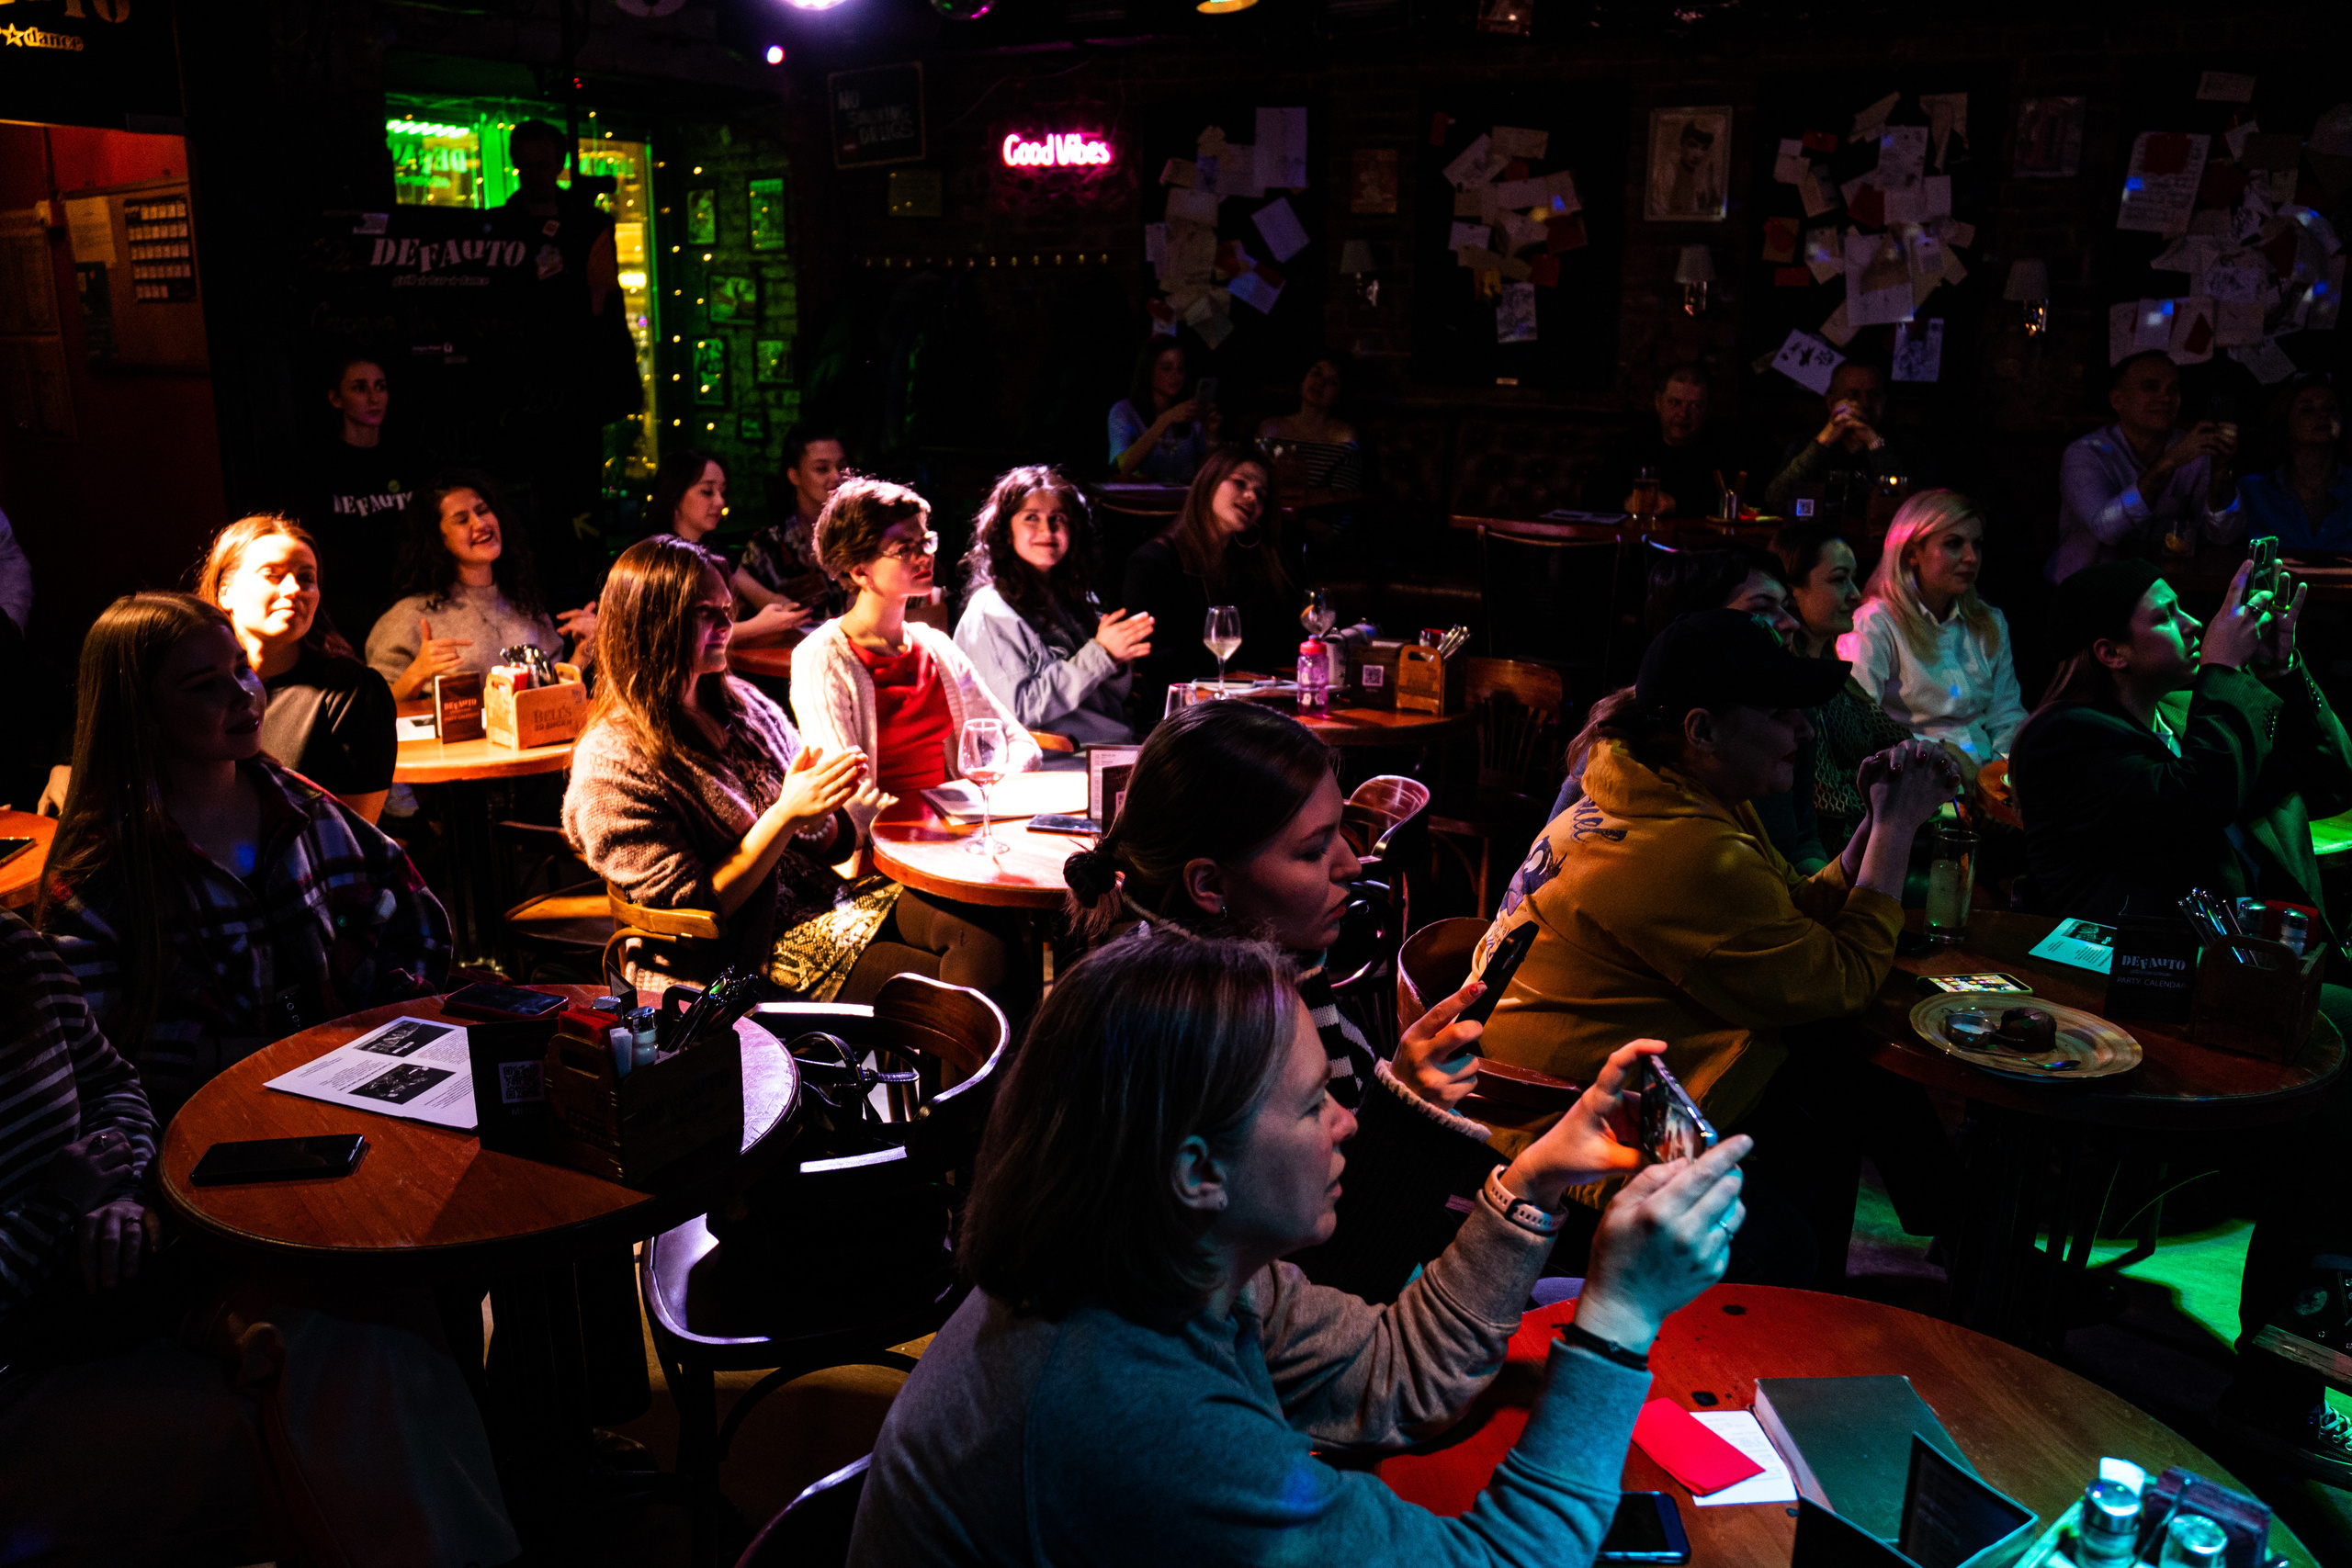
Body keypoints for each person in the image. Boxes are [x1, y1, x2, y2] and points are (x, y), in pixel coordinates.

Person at [850, 927, 1752, 1567]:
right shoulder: (1135, 1417)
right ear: (1198, 1168)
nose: (1348, 1122)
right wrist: (1617, 1318)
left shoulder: (1165, 1260)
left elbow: (1393, 1375)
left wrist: (1529, 1185)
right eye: (1314, 1103)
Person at [0, 907, 518, 1565]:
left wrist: (123, 1192)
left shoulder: (15, 950)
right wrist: (54, 1209)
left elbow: (111, 1083)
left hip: (113, 1282)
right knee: (353, 1403)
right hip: (25, 1348)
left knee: (376, 1304)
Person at [1475, 611, 1960, 1289]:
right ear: (1702, 730)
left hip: (1600, 1092)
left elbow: (1783, 914)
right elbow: (1841, 977)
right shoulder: (1679, 850)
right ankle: (1939, 1263)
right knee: (1785, 1225)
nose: (1805, 729)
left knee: (1842, 1081)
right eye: (1779, 711)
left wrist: (1873, 826)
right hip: (1563, 1134)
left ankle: (1959, 1244)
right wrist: (1900, 828)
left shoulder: (1660, 793)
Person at [2009, 558, 2352, 1483]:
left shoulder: (2172, 720)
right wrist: (2230, 680)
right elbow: (2190, 808)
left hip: (2213, 983)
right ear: (2109, 651)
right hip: (2128, 1006)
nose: (2194, 622)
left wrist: (2278, 671)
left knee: (2336, 1089)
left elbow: (2331, 779)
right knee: (2339, 1084)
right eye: (2164, 614)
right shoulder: (2066, 740)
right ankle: (2288, 1368)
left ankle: (2303, 1331)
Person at [1063, 698, 1518, 1299]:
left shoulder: (1269, 966)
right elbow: (1334, 1282)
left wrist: (1404, 1094)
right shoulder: (1213, 1033)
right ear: (1209, 884)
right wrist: (1408, 1112)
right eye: (1313, 849)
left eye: (1344, 834)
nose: (1352, 864)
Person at [36, 593, 449, 1126]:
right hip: (209, 1126)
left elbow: (417, 917)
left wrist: (390, 1025)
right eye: (203, 684)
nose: (243, 694)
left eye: (242, 668)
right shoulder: (102, 865)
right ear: (142, 710)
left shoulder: (297, 802)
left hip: (363, 1088)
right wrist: (291, 1055)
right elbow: (99, 1059)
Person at [565, 534, 1025, 1006]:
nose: (728, 623)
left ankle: (988, 1078)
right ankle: (960, 1076)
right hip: (745, 955)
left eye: (729, 609)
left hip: (829, 903)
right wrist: (785, 816)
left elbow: (829, 842)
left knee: (995, 930)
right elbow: (696, 906)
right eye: (708, 612)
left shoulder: (740, 705)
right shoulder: (612, 761)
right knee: (966, 989)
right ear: (653, 624)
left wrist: (829, 812)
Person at [792, 480, 1044, 1013]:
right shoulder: (823, 657)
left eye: (926, 541)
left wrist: (973, 794)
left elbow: (1016, 744)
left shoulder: (935, 646)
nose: (924, 554)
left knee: (1031, 922)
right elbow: (847, 798)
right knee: (989, 946)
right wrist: (937, 813)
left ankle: (1011, 1088)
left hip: (958, 850)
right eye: (905, 548)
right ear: (858, 570)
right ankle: (961, 1095)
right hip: (878, 866)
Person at [197, 513, 396, 823]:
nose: (293, 590)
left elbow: (353, 833)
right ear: (225, 592)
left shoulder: (352, 691)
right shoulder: (192, 688)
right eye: (272, 575)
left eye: (306, 578)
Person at [1839, 491, 2028, 793]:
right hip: (1914, 784)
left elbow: (2007, 716)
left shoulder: (1989, 622)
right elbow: (1858, 723)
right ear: (1912, 553)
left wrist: (1998, 782)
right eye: (1954, 544)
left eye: (1976, 545)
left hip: (1988, 783)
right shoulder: (1876, 622)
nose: (1971, 557)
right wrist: (1941, 760)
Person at [954, 465, 1149, 748]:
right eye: (1031, 518)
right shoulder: (992, 611)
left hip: (1110, 744)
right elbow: (1018, 711)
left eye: (1058, 518)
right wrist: (1101, 654)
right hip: (1057, 758)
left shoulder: (1072, 598)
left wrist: (1117, 662)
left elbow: (1106, 700)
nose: (1047, 529)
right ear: (1006, 532)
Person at [366, 469, 586, 703]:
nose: (480, 524)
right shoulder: (409, 617)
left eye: (482, 511)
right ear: (438, 540)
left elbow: (553, 701)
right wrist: (415, 674)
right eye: (462, 519)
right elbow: (375, 711)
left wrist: (584, 652)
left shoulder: (525, 605)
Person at [1120, 444, 1300, 714]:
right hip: (1174, 712)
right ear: (1208, 482)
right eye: (1240, 483)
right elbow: (1150, 661)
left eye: (1261, 494)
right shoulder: (1153, 562)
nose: (1252, 497)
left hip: (1239, 706)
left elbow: (1274, 642)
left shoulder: (1251, 565)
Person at [1774, 520, 1913, 855]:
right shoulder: (1796, 684)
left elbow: (1892, 735)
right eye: (1839, 580)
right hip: (1832, 858)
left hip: (1864, 844)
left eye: (1853, 577)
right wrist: (1905, 804)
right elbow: (1824, 797)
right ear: (1793, 592)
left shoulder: (1830, 668)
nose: (1855, 593)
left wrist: (1934, 756)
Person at [2048, 349, 2243, 581]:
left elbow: (2223, 535)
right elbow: (2106, 530)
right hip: (2087, 589)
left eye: (2173, 389)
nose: (2165, 397)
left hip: (2163, 590)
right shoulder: (2086, 453)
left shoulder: (2192, 449)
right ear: (2118, 400)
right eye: (2151, 387)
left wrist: (2220, 469)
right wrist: (2170, 461)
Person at [293, 352, 414, 646]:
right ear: (336, 399)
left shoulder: (409, 460)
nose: (374, 398)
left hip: (410, 603)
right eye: (360, 388)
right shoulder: (317, 467)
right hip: (346, 613)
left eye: (380, 386)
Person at [642, 446, 800, 640]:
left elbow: (763, 597)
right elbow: (678, 635)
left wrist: (793, 608)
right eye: (707, 492)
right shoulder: (655, 557)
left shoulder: (712, 548)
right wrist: (758, 626)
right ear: (674, 495)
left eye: (722, 492)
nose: (720, 502)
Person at [1762, 360, 1931, 519]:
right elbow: (1776, 502)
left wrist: (1875, 445)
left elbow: (1918, 510)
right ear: (1831, 402)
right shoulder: (1805, 442)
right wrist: (1822, 443)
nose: (1864, 403)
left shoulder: (1908, 446)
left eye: (1873, 395)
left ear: (1884, 400)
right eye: (1853, 395)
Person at [734, 428, 852, 629]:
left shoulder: (863, 537)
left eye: (842, 467)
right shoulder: (766, 548)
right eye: (822, 469)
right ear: (794, 476)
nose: (836, 476)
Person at [1593, 362, 1743, 519]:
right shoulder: (1634, 444)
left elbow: (1737, 502)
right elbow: (1594, 494)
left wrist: (1675, 504)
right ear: (1658, 402)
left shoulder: (1722, 449)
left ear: (1707, 409)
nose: (1683, 414)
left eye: (1695, 405)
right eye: (1675, 402)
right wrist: (1626, 502)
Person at [2238, 375, 2351, 547]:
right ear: (2285, 422)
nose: (2323, 415)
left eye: (2330, 408)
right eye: (2307, 410)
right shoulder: (2253, 491)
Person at [1257, 353, 1366, 495]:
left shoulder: (1344, 437)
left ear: (1339, 395)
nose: (1320, 383)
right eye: (1316, 374)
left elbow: (1341, 496)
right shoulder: (1271, 429)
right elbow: (1256, 481)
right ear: (1303, 379)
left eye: (1331, 382)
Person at [1109, 339, 1216, 482]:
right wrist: (1165, 419)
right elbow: (1122, 466)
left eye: (1181, 369)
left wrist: (1210, 433)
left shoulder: (1190, 412)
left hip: (1181, 499)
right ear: (1148, 370)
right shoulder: (1124, 411)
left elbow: (1205, 475)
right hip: (1140, 499)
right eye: (1166, 368)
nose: (1175, 375)